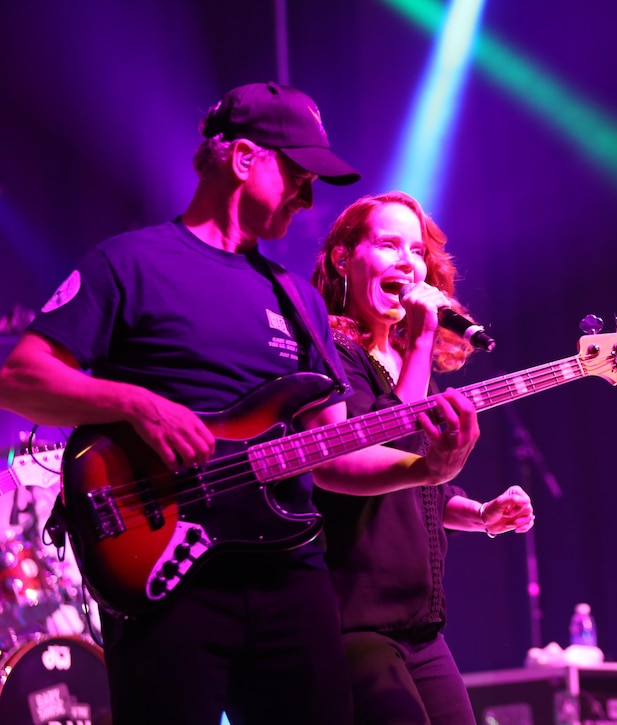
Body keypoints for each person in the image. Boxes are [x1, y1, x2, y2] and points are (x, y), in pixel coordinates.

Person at [0, 83, 481, 725]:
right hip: (165, 569)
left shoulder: (298, 300)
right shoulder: (133, 263)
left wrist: (427, 469)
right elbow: (21, 378)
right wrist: (137, 405)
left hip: (290, 572)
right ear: (243, 158)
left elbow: (333, 456)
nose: (308, 196)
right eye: (297, 173)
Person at [311, 190, 535, 725]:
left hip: (419, 625)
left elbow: (415, 484)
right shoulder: (328, 349)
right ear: (345, 258)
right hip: (353, 619)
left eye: (415, 250)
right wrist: (420, 340)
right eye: (388, 245)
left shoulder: (403, 364)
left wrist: (479, 514)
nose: (407, 261)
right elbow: (369, 451)